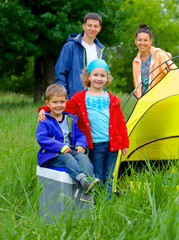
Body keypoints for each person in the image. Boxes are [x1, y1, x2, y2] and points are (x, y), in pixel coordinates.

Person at [38, 59, 129, 199]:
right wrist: (43, 110)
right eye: (95, 75)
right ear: (88, 77)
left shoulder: (112, 99)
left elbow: (120, 122)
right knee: (97, 175)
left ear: (107, 78)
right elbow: (61, 106)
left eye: (102, 75)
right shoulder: (80, 98)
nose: (99, 78)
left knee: (110, 175)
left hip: (113, 144)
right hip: (95, 144)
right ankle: (97, 202)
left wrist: (124, 142)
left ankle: (108, 202)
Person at [36, 83, 100, 203]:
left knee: (83, 158)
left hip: (71, 150)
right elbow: (42, 139)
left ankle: (89, 187)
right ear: (47, 103)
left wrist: (81, 145)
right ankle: (84, 182)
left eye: (62, 102)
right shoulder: (45, 121)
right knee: (68, 159)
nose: (58, 105)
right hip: (52, 154)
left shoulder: (70, 119)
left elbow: (80, 135)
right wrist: (60, 147)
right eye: (54, 102)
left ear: (66, 101)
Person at [55, 12, 105, 99]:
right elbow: (60, 74)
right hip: (74, 99)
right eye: (89, 25)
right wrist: (64, 97)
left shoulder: (100, 50)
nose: (92, 28)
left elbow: (102, 75)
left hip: (94, 99)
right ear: (84, 26)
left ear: (99, 28)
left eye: (95, 26)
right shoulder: (70, 46)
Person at [133, 23, 177, 98]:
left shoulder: (160, 55)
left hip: (159, 100)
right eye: (139, 40)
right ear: (135, 41)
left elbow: (175, 75)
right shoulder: (135, 62)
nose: (142, 43)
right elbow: (137, 84)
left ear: (150, 41)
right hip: (144, 101)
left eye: (145, 40)